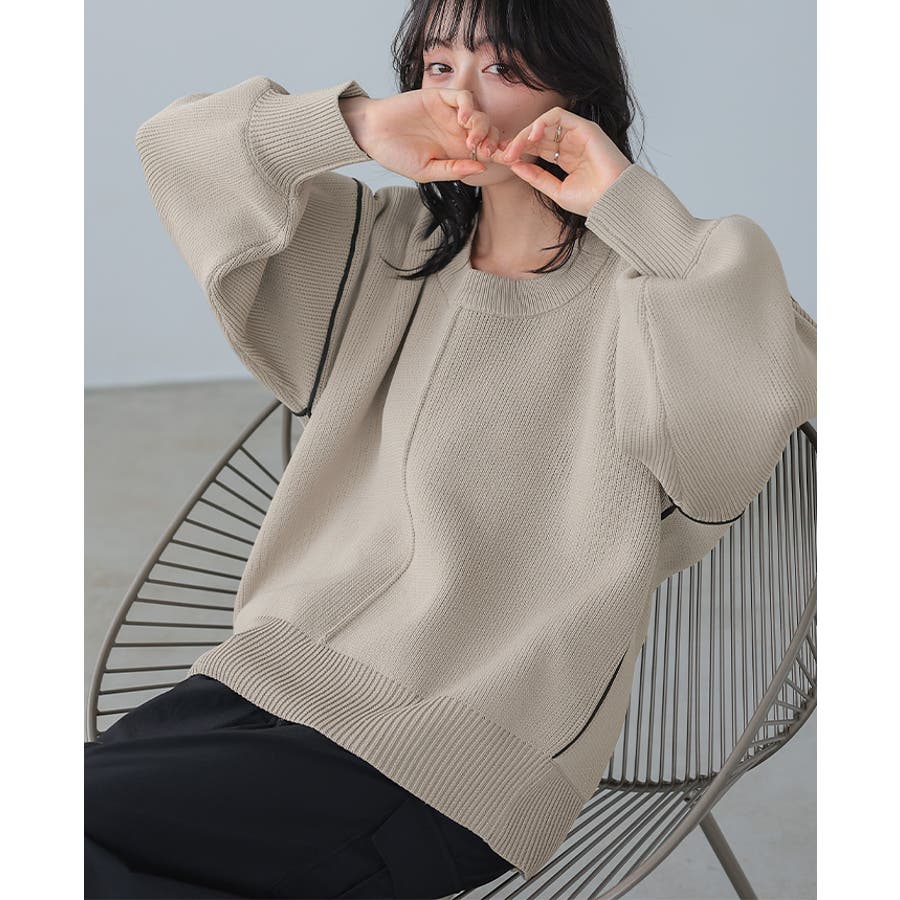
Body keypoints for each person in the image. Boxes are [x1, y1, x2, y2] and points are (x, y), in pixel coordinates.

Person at [86, 0, 817, 897]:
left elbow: (758, 390)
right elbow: (177, 148)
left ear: (576, 91)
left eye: (502, 68)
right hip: (269, 687)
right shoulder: (381, 251)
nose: (460, 98)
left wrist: (622, 199)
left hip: (449, 757)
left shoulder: (653, 298)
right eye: (438, 67)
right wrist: (358, 124)